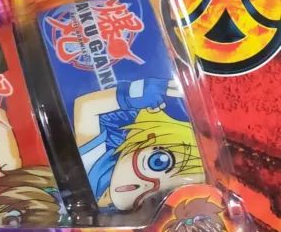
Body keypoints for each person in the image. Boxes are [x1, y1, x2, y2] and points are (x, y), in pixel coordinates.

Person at [74, 77, 205, 211]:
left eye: (164, 194)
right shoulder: (99, 172)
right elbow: (86, 108)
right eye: (157, 162)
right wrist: (128, 95)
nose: (147, 187)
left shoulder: (96, 179)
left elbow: (86, 109)